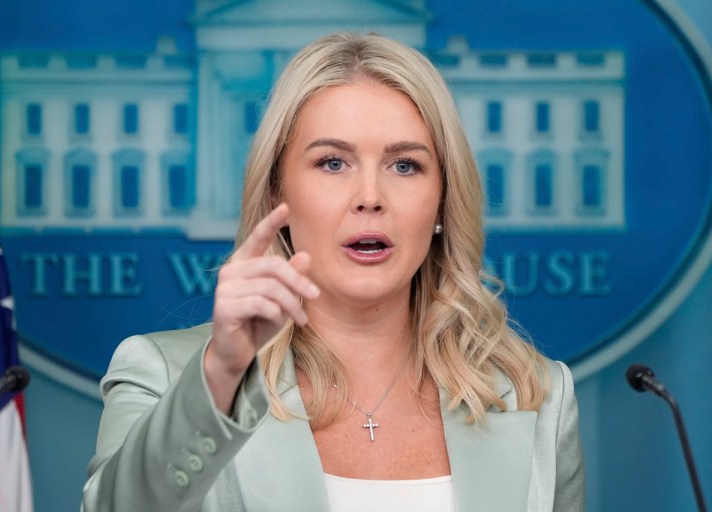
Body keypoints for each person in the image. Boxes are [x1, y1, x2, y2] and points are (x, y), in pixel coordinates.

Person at [82, 32, 584, 511]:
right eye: (333, 163)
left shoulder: (536, 396)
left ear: (442, 202)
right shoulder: (164, 375)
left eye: (405, 165)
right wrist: (222, 375)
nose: (369, 197)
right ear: (279, 192)